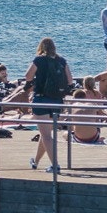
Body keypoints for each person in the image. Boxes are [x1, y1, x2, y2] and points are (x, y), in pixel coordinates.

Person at [26, 37, 70, 173]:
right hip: (57, 101)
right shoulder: (61, 61)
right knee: (46, 133)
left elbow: (28, 76)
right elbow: (70, 80)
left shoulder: (38, 60)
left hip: (41, 100)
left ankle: (55, 165)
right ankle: (36, 161)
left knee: (46, 135)